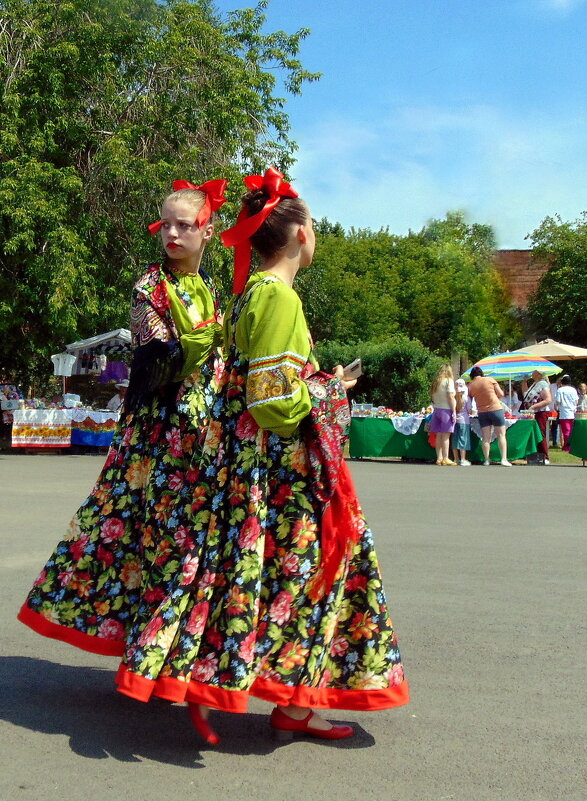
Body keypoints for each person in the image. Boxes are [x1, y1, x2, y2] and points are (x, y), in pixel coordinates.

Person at [105, 168, 408, 745]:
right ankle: (292, 706)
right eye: (313, 224)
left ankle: (280, 698)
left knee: (271, 580)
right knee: (313, 576)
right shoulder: (279, 297)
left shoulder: (252, 294)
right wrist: (329, 390)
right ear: (297, 234)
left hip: (252, 466)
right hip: (283, 472)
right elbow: (270, 401)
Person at [19, 179, 230, 668]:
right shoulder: (148, 286)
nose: (173, 234)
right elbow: (156, 362)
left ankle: (177, 651)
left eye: (185, 225)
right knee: (145, 534)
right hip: (158, 432)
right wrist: (212, 337)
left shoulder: (212, 290)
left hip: (204, 430)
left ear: (208, 231)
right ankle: (146, 648)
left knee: (194, 540)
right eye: (167, 224)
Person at [469, 366, 512, 466]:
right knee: (501, 435)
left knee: (486, 438)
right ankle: (504, 459)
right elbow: (501, 394)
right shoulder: (490, 380)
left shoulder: (471, 386)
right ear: (481, 374)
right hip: (495, 409)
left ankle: (487, 460)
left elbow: (470, 400)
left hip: (482, 412)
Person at [521, 369, 553, 465]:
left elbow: (548, 400)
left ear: (539, 374)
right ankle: (535, 454)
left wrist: (533, 407)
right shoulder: (535, 384)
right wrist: (524, 381)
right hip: (532, 412)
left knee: (540, 433)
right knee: (534, 434)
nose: (532, 373)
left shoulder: (543, 384)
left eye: (534, 372)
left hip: (540, 412)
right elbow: (525, 394)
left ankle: (544, 456)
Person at [429, 364, 456, 465]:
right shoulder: (449, 381)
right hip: (446, 409)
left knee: (438, 435)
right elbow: (450, 397)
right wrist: (454, 411)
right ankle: (446, 457)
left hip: (437, 409)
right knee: (446, 436)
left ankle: (439, 458)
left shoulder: (436, 381)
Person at [554, 375, 580, 452]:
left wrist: (556, 407)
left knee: (566, 431)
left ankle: (567, 447)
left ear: (562, 382)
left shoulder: (560, 390)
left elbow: (558, 401)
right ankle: (572, 445)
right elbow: (576, 401)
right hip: (573, 412)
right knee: (571, 430)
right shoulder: (573, 390)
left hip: (564, 412)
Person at [452, 376, 473, 466]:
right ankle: (463, 459)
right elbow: (469, 411)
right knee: (463, 440)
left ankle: (456, 459)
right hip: (464, 420)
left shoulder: (453, 397)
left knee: (455, 440)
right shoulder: (467, 398)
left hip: (454, 421)